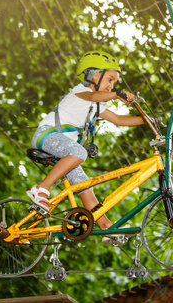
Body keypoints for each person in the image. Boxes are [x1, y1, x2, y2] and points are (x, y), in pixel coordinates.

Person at [26, 50, 144, 241]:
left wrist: (147, 120)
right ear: (95, 75)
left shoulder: (97, 104)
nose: (112, 85)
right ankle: (41, 189)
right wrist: (116, 94)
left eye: (114, 83)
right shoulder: (80, 91)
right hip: (47, 135)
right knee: (79, 152)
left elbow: (119, 120)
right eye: (110, 79)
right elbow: (93, 97)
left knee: (85, 186)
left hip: (67, 150)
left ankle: (107, 228)